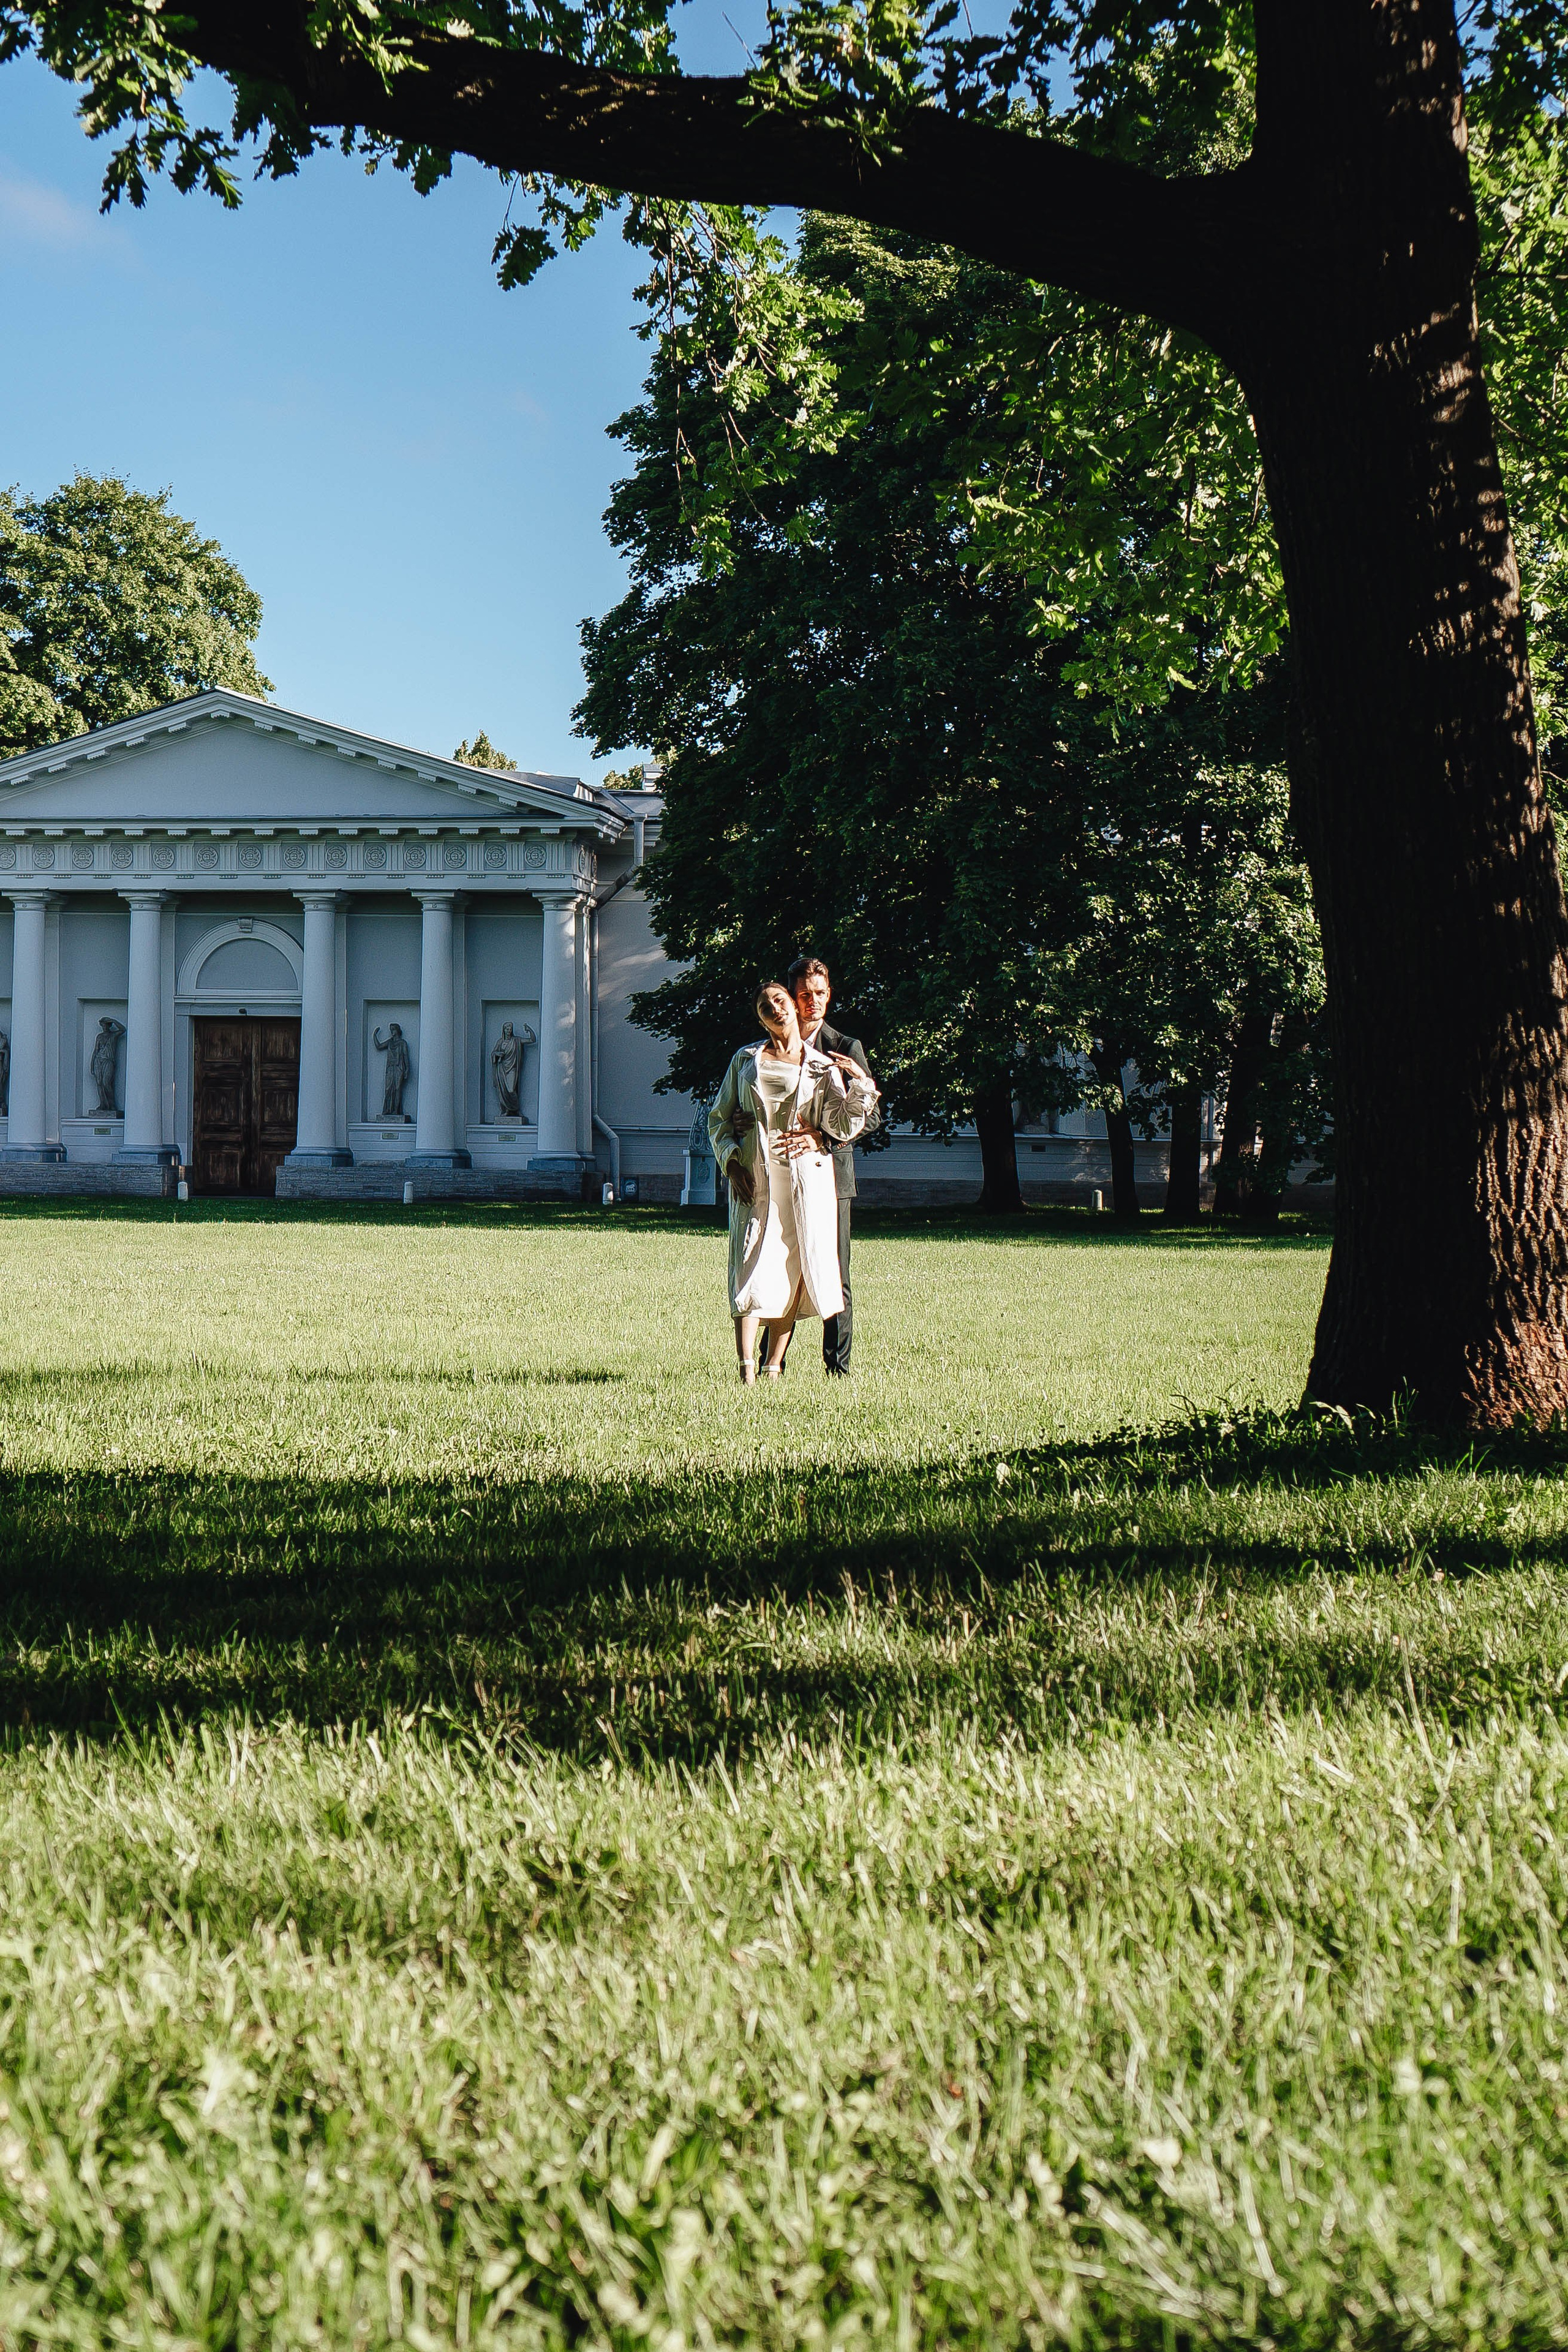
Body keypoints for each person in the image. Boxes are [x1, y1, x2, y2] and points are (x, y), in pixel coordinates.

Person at [709, 981, 880, 1384]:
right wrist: (732, 1164)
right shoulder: (745, 1061)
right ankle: (746, 1369)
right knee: (750, 1261)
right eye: (766, 1006)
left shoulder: (823, 1065)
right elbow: (720, 1119)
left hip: (808, 1180)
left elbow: (843, 1122)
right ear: (761, 1017)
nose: (777, 1009)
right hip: (757, 1174)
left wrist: (860, 1084)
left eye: (780, 1001)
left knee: (797, 1271)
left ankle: (774, 1369)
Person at [768, 955, 877, 1375]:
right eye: (804, 995)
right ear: (792, 999)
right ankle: (768, 1364)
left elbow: (872, 1115)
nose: (812, 1002)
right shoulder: (774, 1046)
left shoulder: (847, 1048)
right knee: (781, 1269)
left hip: (832, 1177)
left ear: (829, 995)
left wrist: (823, 1136)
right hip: (782, 1173)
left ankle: (838, 1370)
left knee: (835, 1275)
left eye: (819, 994)